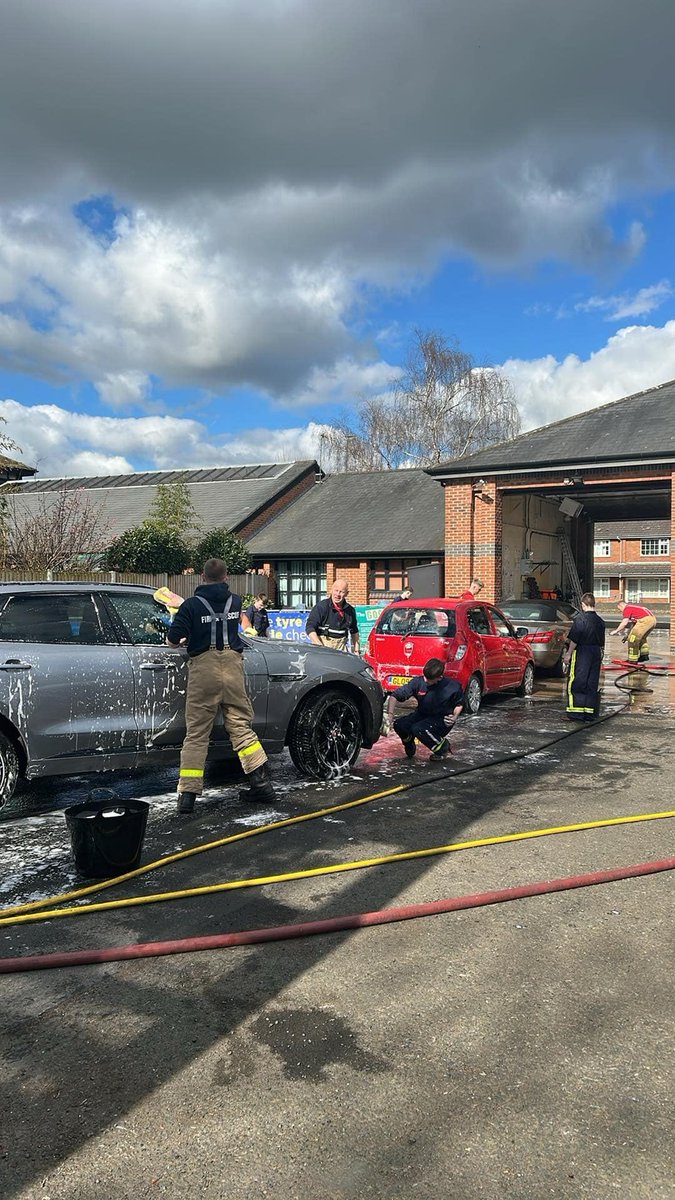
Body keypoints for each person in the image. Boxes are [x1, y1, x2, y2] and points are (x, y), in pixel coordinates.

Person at [166, 557, 275, 813]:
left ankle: (187, 797)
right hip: (233, 666)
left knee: (197, 733)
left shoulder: (191, 605)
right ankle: (261, 785)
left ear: (202, 578)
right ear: (226, 578)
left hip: (204, 669)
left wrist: (182, 619)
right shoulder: (235, 602)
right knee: (240, 725)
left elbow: (173, 639)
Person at [385, 657, 464, 759]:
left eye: (429, 680)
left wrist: (454, 717)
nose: (426, 681)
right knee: (399, 724)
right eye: (425, 677)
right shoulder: (418, 682)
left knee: (419, 729)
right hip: (422, 714)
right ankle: (409, 743)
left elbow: (459, 704)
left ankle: (443, 748)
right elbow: (394, 696)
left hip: (441, 719)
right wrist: (390, 715)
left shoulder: (452, 687)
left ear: (439, 678)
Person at [562, 592, 605, 722]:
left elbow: (575, 639)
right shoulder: (601, 621)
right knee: (592, 682)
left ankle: (575, 713)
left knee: (577, 682)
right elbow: (602, 642)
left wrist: (568, 654)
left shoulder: (580, 620)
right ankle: (589, 713)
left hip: (583, 652)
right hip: (596, 652)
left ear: (583, 604)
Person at [306, 578, 360, 653]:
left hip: (341, 649)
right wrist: (319, 646)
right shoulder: (321, 607)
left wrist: (357, 650)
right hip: (322, 649)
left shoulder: (350, 610)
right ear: (331, 590)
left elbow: (354, 631)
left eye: (341, 592)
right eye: (336, 590)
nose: (337, 594)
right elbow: (310, 628)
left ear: (347, 594)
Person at [609, 600, 657, 664]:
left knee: (633, 639)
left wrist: (616, 631)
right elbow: (634, 625)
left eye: (619, 609)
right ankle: (644, 656)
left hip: (644, 621)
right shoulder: (634, 608)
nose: (621, 611)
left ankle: (632, 660)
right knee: (642, 638)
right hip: (652, 620)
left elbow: (624, 623)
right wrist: (627, 635)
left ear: (620, 605)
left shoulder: (627, 608)